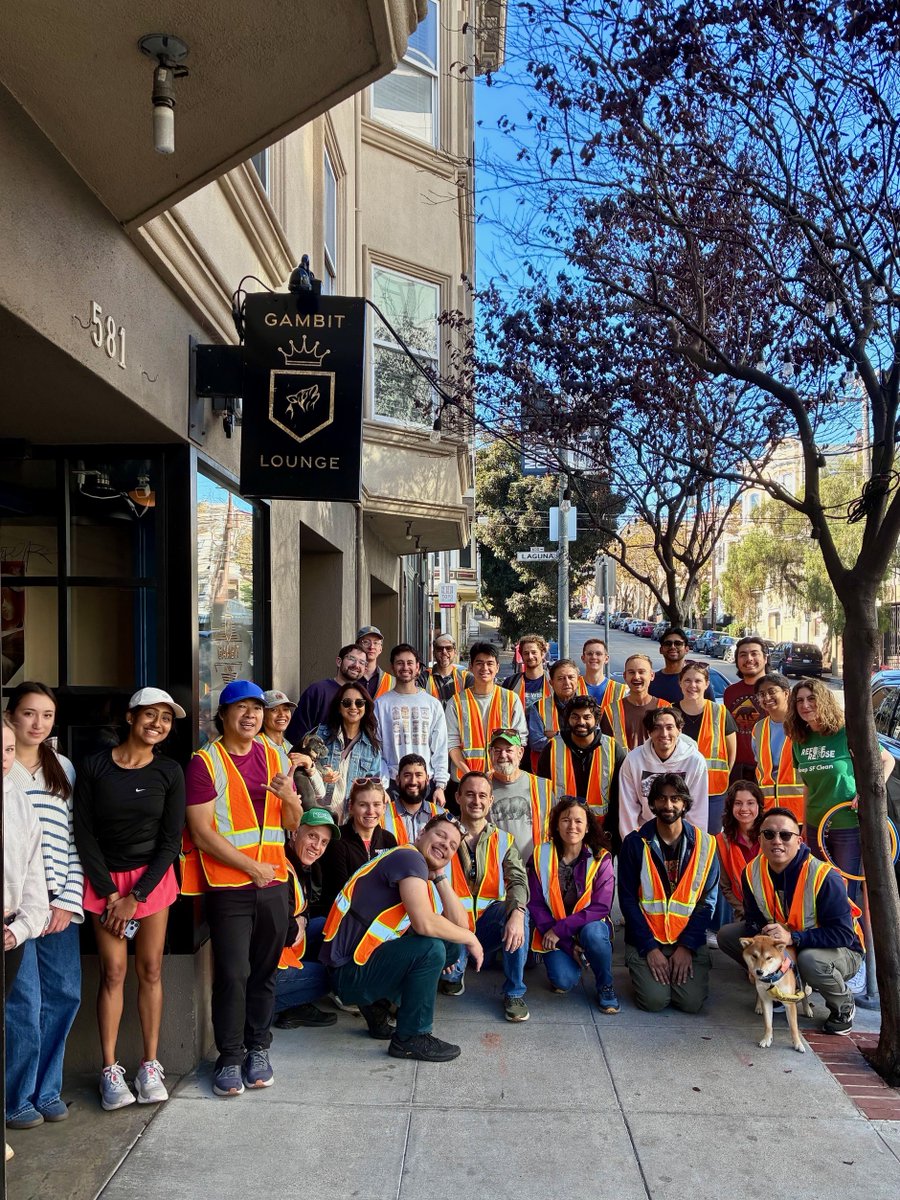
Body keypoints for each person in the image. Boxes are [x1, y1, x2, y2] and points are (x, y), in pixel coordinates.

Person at [182, 680, 301, 1098]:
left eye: (256, 708)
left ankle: (258, 1049)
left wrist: (291, 798)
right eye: (241, 708)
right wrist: (251, 867)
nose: (251, 715)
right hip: (230, 885)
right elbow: (200, 832)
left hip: (273, 884)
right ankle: (229, 1056)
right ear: (223, 715)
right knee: (233, 973)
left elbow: (291, 823)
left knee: (265, 973)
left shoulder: (275, 756)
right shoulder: (205, 763)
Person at [74, 687, 187, 1110]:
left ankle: (150, 1064)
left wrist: (135, 896)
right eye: (150, 715)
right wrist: (109, 894)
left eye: (166, 719)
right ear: (129, 718)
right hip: (103, 883)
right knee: (114, 972)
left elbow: (170, 840)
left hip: (151, 883)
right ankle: (109, 1069)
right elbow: (83, 832)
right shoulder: (95, 766)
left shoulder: (169, 771)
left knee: (151, 969)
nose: (157, 724)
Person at [321, 812, 485, 1061]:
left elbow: (461, 926)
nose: (445, 844)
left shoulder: (414, 866)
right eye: (440, 835)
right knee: (432, 949)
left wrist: (439, 876)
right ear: (421, 834)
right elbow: (424, 923)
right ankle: (411, 1037)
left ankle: (378, 1006)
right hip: (349, 972)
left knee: (449, 944)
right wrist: (472, 940)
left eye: (452, 845)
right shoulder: (409, 858)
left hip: (357, 964)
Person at [5, 682, 83, 1132]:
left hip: (59, 906)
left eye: (47, 715)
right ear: (12, 716)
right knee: (24, 1002)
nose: (38, 724)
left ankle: (46, 1089)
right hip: (17, 908)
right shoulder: (5, 767)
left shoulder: (64, 769)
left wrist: (68, 901)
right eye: (29, 714)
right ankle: (17, 1098)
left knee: (64, 995)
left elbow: (74, 841)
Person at [717, 805, 865, 1035]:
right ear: (760, 839)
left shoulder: (824, 877)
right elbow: (753, 921)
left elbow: (844, 934)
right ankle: (775, 982)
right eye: (769, 834)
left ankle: (843, 1006)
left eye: (785, 835)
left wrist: (793, 940)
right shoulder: (751, 872)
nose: (777, 841)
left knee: (810, 960)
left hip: (841, 950)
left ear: (799, 840)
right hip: (785, 942)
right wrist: (762, 955)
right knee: (728, 936)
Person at [618, 774, 719, 1013]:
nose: (668, 805)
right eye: (661, 799)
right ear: (652, 804)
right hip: (647, 939)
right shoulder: (634, 843)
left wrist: (686, 947)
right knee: (654, 1002)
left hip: (686, 939)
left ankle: (676, 969)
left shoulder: (706, 845)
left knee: (690, 1003)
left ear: (685, 803)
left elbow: (707, 903)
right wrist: (649, 949)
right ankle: (646, 970)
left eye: (675, 799)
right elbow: (628, 901)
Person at [785, 678, 894, 894]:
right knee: (819, 886)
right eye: (799, 701)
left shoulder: (847, 732)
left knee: (844, 888)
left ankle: (850, 928)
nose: (805, 705)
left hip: (847, 824)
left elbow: (887, 759)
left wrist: (869, 793)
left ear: (824, 700)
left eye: (811, 699)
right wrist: (805, 825)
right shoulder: (799, 739)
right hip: (816, 826)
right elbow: (807, 787)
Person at [440, 772, 530, 1022]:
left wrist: (517, 913)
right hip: (452, 926)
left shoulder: (503, 840)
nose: (476, 801)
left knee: (518, 914)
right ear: (457, 797)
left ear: (491, 800)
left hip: (487, 926)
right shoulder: (443, 834)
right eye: (469, 794)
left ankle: (514, 993)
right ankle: (457, 964)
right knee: (449, 980)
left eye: (482, 795)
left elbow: (518, 881)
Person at [527, 797, 619, 1013]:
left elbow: (601, 907)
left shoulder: (601, 858)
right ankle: (578, 956)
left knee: (595, 934)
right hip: (553, 929)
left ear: (588, 827)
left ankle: (605, 984)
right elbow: (536, 903)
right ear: (556, 825)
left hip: (585, 926)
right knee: (563, 981)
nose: (572, 826)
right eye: (566, 820)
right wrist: (566, 943)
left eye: (579, 821)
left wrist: (560, 930)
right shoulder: (541, 854)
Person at [274, 808, 342, 1030]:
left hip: (287, 949)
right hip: (266, 968)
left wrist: (302, 920)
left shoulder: (299, 864)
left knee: (326, 924)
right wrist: (300, 923)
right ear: (295, 833)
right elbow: (282, 932)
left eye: (323, 842)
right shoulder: (280, 868)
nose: (317, 846)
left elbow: (304, 911)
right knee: (334, 976)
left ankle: (295, 998)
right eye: (312, 836)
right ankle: (278, 1005)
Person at [3, 714, 50, 993]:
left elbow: (34, 884)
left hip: (8, 937)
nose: (5, 758)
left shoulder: (22, 805)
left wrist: (17, 931)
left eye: (9, 749)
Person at [618, 708, 710, 840]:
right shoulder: (633, 760)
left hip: (681, 836)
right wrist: (632, 843)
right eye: (657, 728)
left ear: (679, 730)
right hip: (645, 835)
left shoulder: (694, 761)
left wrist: (693, 844)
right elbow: (628, 808)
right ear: (649, 732)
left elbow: (697, 810)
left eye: (669, 727)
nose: (664, 733)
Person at [374, 644, 448, 806]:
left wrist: (440, 786)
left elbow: (440, 748)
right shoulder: (380, 705)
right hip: (392, 784)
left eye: (409, 663)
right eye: (400, 663)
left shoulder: (432, 704)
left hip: (426, 784)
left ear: (417, 668)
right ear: (392, 667)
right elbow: (376, 750)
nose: (405, 667)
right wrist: (383, 785)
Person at [537, 696, 624, 833]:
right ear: (568, 719)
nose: (581, 722)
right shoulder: (552, 748)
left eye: (587, 717)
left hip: (602, 831)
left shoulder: (613, 749)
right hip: (565, 832)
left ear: (596, 720)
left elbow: (620, 797)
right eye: (575, 717)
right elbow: (542, 793)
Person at [447, 642, 527, 778]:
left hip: (502, 778)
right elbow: (451, 743)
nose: (484, 668)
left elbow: (520, 739)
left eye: (490, 663)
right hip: (465, 781)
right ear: (470, 667)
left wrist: (500, 772)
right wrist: (470, 775)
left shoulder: (510, 699)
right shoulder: (456, 702)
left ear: (497, 667)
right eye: (479, 663)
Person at [674, 660, 736, 834]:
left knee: (710, 840)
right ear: (680, 683)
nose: (692, 685)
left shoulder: (720, 712)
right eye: (687, 680)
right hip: (677, 791)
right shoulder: (669, 712)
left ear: (707, 684)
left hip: (714, 792)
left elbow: (732, 755)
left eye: (698, 681)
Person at [320, 778, 398, 911]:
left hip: (380, 917)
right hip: (344, 918)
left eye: (377, 804)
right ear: (351, 807)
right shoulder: (338, 840)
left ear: (384, 808)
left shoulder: (388, 839)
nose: (370, 811)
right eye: (363, 805)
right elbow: (341, 892)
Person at [313, 681, 384, 817]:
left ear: (366, 707)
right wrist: (321, 774)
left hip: (351, 819)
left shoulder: (372, 748)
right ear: (339, 707)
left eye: (359, 703)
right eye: (346, 702)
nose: (353, 707)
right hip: (319, 815)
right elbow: (301, 768)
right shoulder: (320, 735)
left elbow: (371, 788)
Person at [487, 729, 556, 864]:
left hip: (537, 871)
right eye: (497, 750)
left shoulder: (543, 787)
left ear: (520, 753)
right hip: (496, 872)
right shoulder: (480, 787)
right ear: (490, 753)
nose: (503, 755)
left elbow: (555, 831)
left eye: (509, 750)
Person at [286, 643, 368, 743]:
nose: (356, 665)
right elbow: (298, 732)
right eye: (351, 659)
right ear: (339, 661)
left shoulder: (364, 697)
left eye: (362, 662)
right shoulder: (317, 691)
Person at [752, 672, 804, 821]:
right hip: (769, 810)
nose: (766, 698)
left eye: (772, 691)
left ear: (786, 693)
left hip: (801, 810)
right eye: (761, 694)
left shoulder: (803, 724)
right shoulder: (759, 728)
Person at [600, 654, 671, 750]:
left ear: (651, 676)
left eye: (641, 672)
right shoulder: (611, 711)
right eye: (631, 672)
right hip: (624, 765)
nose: (636, 677)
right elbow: (606, 749)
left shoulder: (666, 708)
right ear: (625, 676)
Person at [723, 636, 768, 783]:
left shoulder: (778, 690)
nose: (749, 659)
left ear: (765, 658)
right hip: (736, 767)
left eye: (754, 653)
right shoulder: (730, 692)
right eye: (743, 655)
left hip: (767, 767)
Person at [715, 780, 762, 922]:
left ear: (759, 805)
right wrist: (746, 911)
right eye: (738, 803)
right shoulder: (721, 841)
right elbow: (725, 887)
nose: (744, 808)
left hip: (776, 912)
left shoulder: (771, 835)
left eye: (750, 803)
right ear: (730, 807)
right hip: (743, 913)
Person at [527, 658, 583, 759]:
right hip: (548, 770)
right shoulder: (538, 708)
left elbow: (592, 738)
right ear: (551, 683)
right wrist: (577, 739)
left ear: (578, 680)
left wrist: (556, 734)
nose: (567, 682)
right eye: (560, 678)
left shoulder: (587, 706)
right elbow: (536, 743)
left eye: (571, 677)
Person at [382, 755, 446, 844]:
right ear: (397, 779)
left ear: (427, 780)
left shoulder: (442, 815)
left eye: (418, 775)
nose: (413, 781)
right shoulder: (382, 814)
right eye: (407, 775)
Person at [649, 627, 714, 704]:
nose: (673, 647)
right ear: (661, 650)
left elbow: (711, 711)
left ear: (686, 649)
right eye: (668, 644)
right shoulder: (651, 681)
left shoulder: (698, 680)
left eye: (678, 643)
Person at [501, 634, 552, 711]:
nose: (530, 656)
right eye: (526, 653)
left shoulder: (554, 682)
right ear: (521, 656)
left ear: (543, 654)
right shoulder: (510, 683)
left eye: (534, 652)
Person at [421, 634, 472, 702]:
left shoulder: (466, 678)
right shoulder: (423, 678)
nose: (444, 652)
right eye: (439, 649)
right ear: (434, 653)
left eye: (448, 648)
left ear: (455, 652)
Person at [580, 638, 626, 711]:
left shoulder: (620, 690)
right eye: (589, 654)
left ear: (606, 659)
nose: (594, 657)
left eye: (598, 654)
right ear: (583, 658)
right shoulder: (573, 686)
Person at [357, 625, 395, 699]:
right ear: (357, 646)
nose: (371, 647)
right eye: (366, 642)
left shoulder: (392, 682)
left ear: (380, 649)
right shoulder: (348, 678)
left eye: (376, 643)